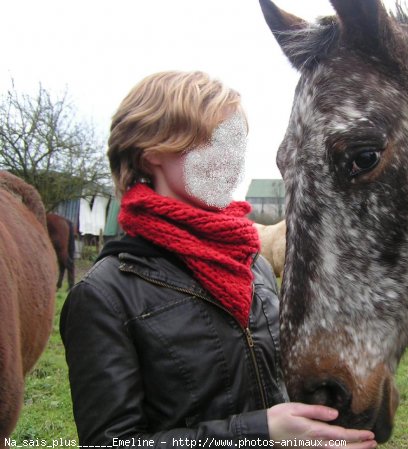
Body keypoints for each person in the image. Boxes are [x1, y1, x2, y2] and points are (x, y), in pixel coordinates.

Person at [60, 71, 377, 449]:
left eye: (237, 142)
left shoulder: (251, 263)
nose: (233, 159)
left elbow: (270, 393)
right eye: (215, 141)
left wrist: (311, 438)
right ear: (153, 152)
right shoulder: (104, 296)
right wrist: (260, 434)